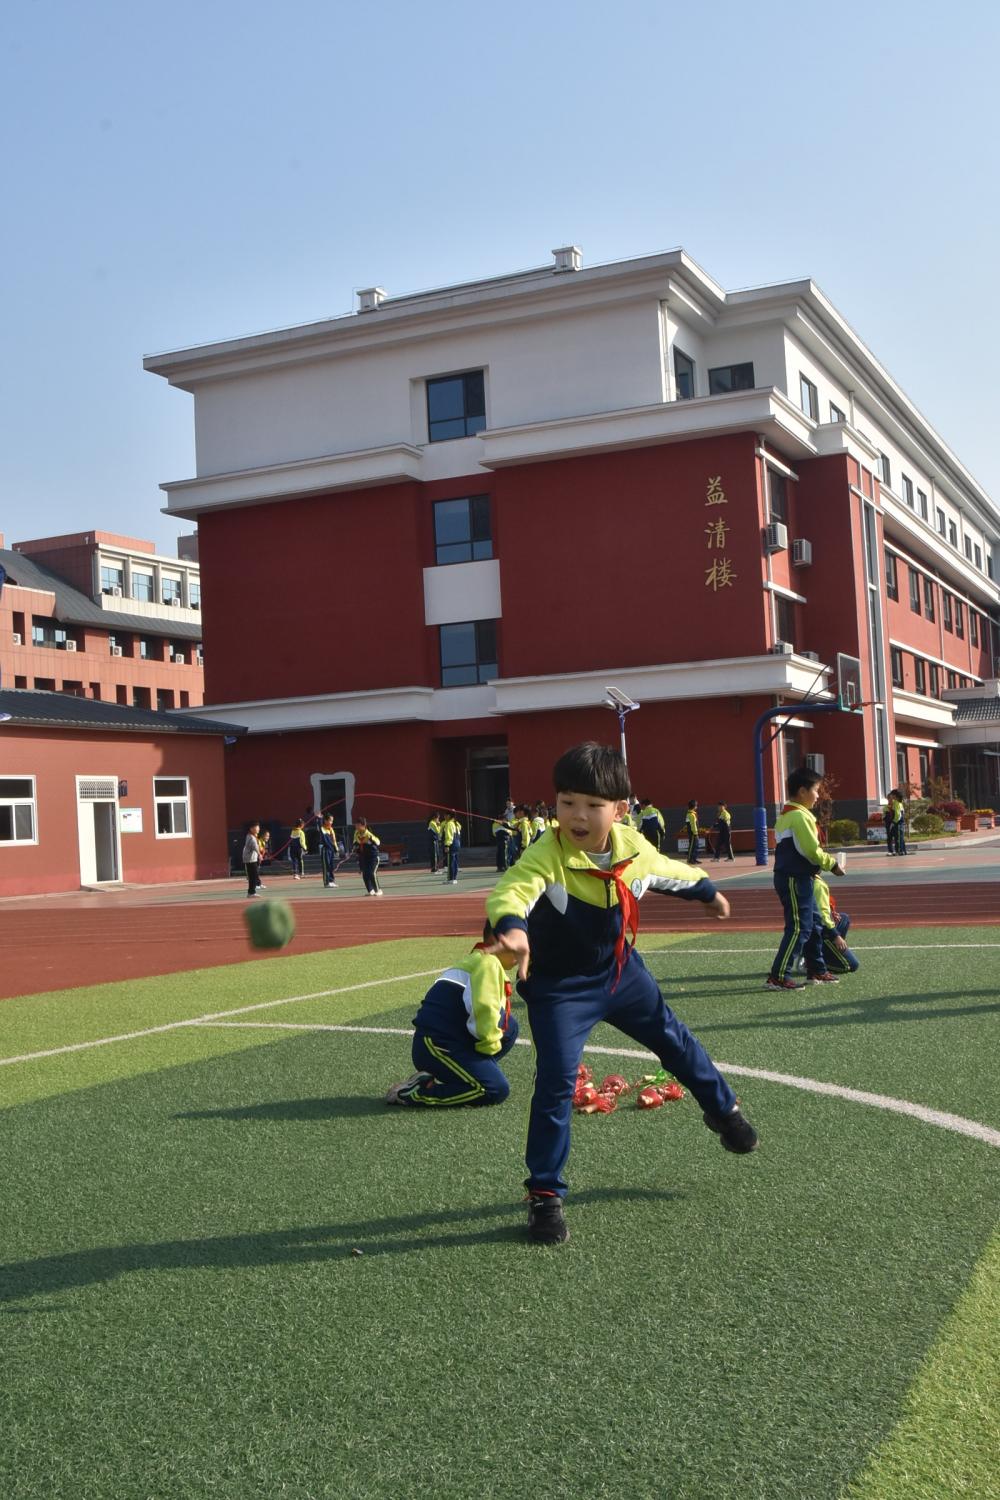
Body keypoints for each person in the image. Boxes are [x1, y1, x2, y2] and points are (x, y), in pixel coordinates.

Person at [486, 742, 757, 1247]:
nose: (577, 816)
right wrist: (512, 928)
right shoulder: (546, 852)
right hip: (560, 990)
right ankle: (545, 1196)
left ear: (620, 808)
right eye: (567, 803)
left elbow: (670, 872)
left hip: (619, 973)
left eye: (592, 805)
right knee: (555, 1084)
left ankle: (724, 1112)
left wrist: (708, 893)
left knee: (675, 1041)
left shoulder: (634, 847)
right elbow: (514, 890)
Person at [385, 925, 520, 1107]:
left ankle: (470, 1076)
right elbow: (483, 1013)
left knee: (509, 1027)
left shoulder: (480, 960)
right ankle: (413, 1093)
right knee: (495, 1089)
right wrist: (488, 1048)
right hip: (435, 1046)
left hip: (445, 1041)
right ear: (498, 941)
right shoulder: (488, 964)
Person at [767, 766, 844, 991]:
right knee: (799, 927)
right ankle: (778, 976)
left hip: (797, 877)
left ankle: (816, 970)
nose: (818, 795)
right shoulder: (800, 816)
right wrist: (833, 865)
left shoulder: (787, 815)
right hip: (795, 878)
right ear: (802, 791)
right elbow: (810, 850)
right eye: (816, 790)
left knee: (815, 923)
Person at [812, 874, 860, 975]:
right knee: (851, 965)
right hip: (817, 931)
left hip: (815, 928)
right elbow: (823, 916)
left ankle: (830, 950)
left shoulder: (811, 879)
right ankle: (813, 961)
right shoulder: (817, 884)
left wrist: (832, 912)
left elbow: (820, 908)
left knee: (844, 918)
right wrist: (836, 936)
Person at [353, 818, 383, 895]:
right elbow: (355, 843)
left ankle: (378, 890)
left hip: (373, 857)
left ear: (363, 825)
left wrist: (371, 841)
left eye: (358, 824)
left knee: (371, 873)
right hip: (364, 857)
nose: (356, 826)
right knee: (365, 874)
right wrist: (355, 848)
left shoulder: (368, 834)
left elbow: (378, 842)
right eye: (355, 824)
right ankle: (371, 891)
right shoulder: (356, 833)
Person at [318, 814, 340, 889]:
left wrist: (336, 849)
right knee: (326, 866)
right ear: (325, 821)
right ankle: (326, 882)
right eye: (330, 820)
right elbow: (319, 826)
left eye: (332, 821)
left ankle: (331, 881)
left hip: (331, 850)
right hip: (325, 850)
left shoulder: (331, 829)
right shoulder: (322, 829)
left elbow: (334, 841)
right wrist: (320, 819)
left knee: (331, 866)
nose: (331, 822)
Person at [243, 822, 262, 897]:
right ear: (251, 829)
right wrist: (259, 855)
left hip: (250, 858)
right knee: (253, 875)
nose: (258, 829)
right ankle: (251, 892)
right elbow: (254, 847)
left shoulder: (251, 836)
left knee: (253, 875)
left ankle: (251, 892)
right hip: (250, 859)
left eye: (258, 827)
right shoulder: (251, 837)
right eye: (256, 827)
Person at [442, 812, 462, 883]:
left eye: (445, 815)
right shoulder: (456, 824)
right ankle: (454, 878)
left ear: (449, 816)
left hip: (452, 844)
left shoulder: (449, 824)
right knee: (455, 861)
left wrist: (447, 845)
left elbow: (449, 836)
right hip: (457, 843)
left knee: (451, 861)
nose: (444, 817)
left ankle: (451, 879)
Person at [684, 800, 701, 864]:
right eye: (696, 806)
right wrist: (695, 833)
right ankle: (690, 859)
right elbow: (693, 825)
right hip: (693, 833)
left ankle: (694, 859)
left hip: (694, 832)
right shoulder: (691, 815)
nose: (697, 807)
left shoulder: (692, 814)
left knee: (696, 846)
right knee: (692, 846)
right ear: (694, 807)